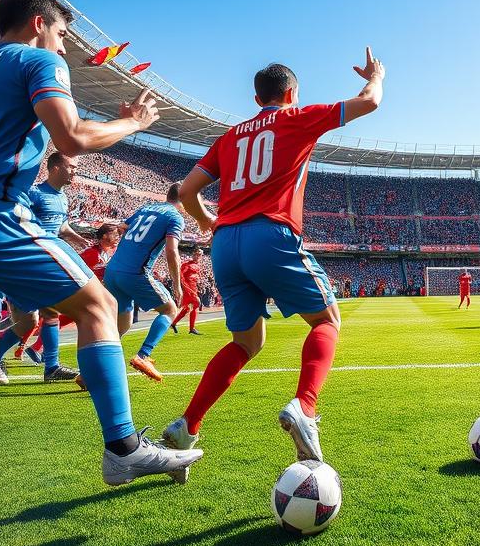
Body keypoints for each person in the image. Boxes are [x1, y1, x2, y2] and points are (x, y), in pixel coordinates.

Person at [0, 0, 201, 484]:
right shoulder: (36, 63)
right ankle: (123, 447)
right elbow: (71, 136)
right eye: (60, 32)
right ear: (38, 23)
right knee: (97, 307)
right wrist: (130, 122)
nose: (64, 45)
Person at [161, 48, 385, 471]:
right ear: (292, 93)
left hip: (225, 245)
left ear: (256, 97)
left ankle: (188, 424)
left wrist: (210, 223)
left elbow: (187, 191)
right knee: (326, 321)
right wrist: (377, 76)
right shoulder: (296, 117)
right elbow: (370, 101)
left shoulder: (230, 137)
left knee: (246, 342)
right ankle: (304, 406)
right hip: (271, 233)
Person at [0, 152, 91, 386]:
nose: (76, 170)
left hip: (45, 260)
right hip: (28, 262)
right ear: (55, 168)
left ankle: (44, 365)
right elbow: (17, 221)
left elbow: (61, 225)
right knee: (42, 315)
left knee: (34, 320)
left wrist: (76, 238)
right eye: (72, 166)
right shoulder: (35, 193)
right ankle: (47, 366)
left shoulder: (63, 197)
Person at [104, 185, 186, 381]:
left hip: (113, 270)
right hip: (135, 273)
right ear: (185, 198)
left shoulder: (147, 208)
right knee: (169, 310)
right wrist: (176, 284)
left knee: (120, 327)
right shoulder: (175, 217)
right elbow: (172, 251)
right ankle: (144, 355)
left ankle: (92, 371)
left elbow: (122, 227)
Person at [172, 248, 205, 335]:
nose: (198, 256)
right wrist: (185, 288)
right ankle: (192, 328)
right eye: (196, 254)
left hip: (194, 288)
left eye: (199, 254)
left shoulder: (197, 265)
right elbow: (181, 276)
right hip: (188, 289)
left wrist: (199, 286)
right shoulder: (186, 264)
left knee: (187, 309)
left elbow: (196, 277)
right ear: (193, 254)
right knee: (197, 303)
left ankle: (174, 323)